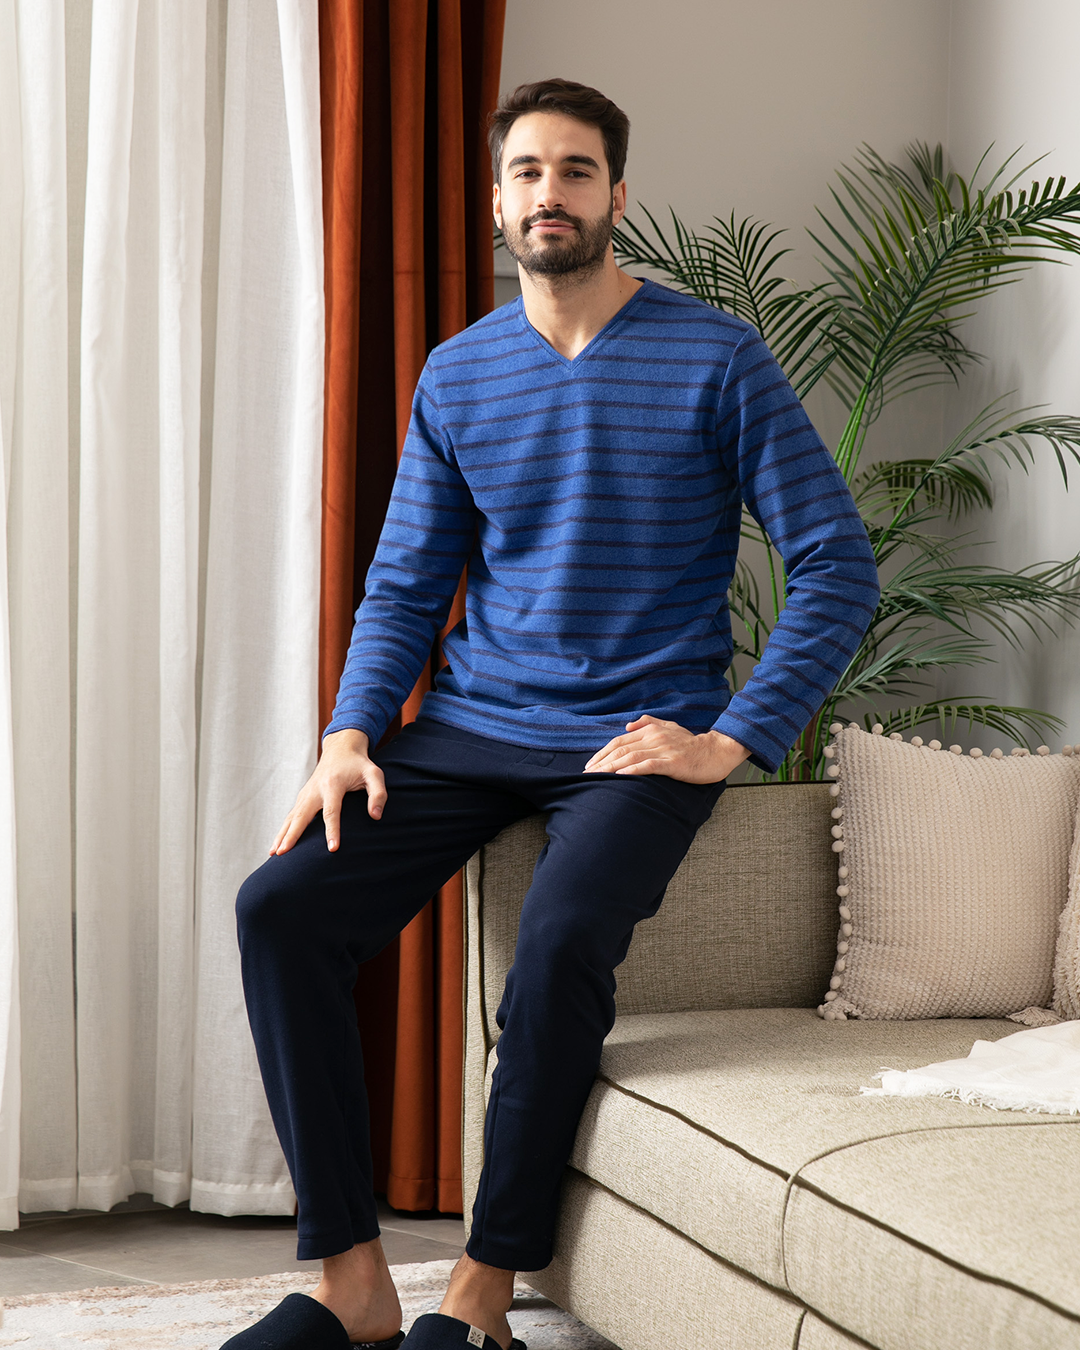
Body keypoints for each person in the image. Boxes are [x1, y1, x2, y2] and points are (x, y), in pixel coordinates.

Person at [223, 79, 880, 1350]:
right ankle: (350, 1283)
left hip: (637, 739)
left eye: (576, 171)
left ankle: (480, 1299)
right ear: (496, 200)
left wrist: (730, 739)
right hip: (474, 723)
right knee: (280, 908)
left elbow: (837, 564)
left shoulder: (716, 357)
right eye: (527, 172)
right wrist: (349, 736)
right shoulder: (460, 374)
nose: (550, 194)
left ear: (617, 196)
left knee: (564, 939)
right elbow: (407, 583)